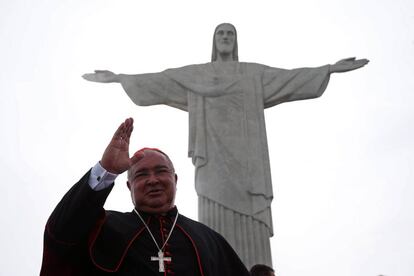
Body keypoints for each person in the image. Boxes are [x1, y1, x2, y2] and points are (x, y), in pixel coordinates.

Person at [82, 23, 369, 267]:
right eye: (221, 34)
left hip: (249, 159)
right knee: (212, 218)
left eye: (230, 34)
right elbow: (163, 80)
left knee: (251, 219)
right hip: (213, 160)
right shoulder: (197, 75)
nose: (225, 38)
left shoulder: (252, 73)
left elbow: (289, 78)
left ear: (236, 41)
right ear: (214, 41)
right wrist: (120, 78)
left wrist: (329, 69)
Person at [40, 118, 250, 275]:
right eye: (141, 174)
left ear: (175, 179)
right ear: (129, 186)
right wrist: (106, 170)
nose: (152, 180)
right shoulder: (104, 227)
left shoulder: (209, 240)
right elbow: (60, 233)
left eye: (161, 171)